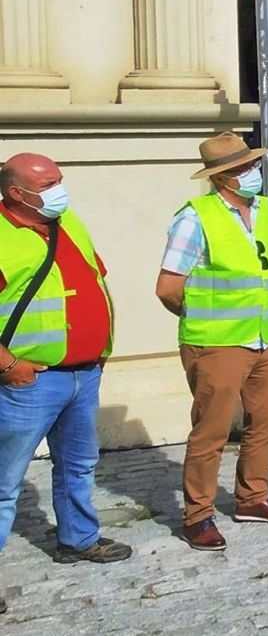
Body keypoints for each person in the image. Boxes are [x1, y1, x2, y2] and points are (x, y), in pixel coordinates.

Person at [156, 133, 268, 551]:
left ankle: (253, 497)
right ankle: (197, 515)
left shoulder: (264, 209)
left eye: (252, 164)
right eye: (241, 169)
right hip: (216, 343)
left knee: (266, 421)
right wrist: (208, 320)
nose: (252, 172)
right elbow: (168, 288)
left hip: (265, 336)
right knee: (211, 432)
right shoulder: (194, 218)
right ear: (220, 177)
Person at [0, 154, 131, 584]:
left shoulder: (67, 221)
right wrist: (9, 365)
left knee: (78, 464)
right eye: (48, 184)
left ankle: (78, 539)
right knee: (4, 483)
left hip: (83, 373)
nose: (60, 190)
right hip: (28, 381)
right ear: (16, 193)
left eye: (60, 180)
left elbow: (95, 279)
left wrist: (102, 346)